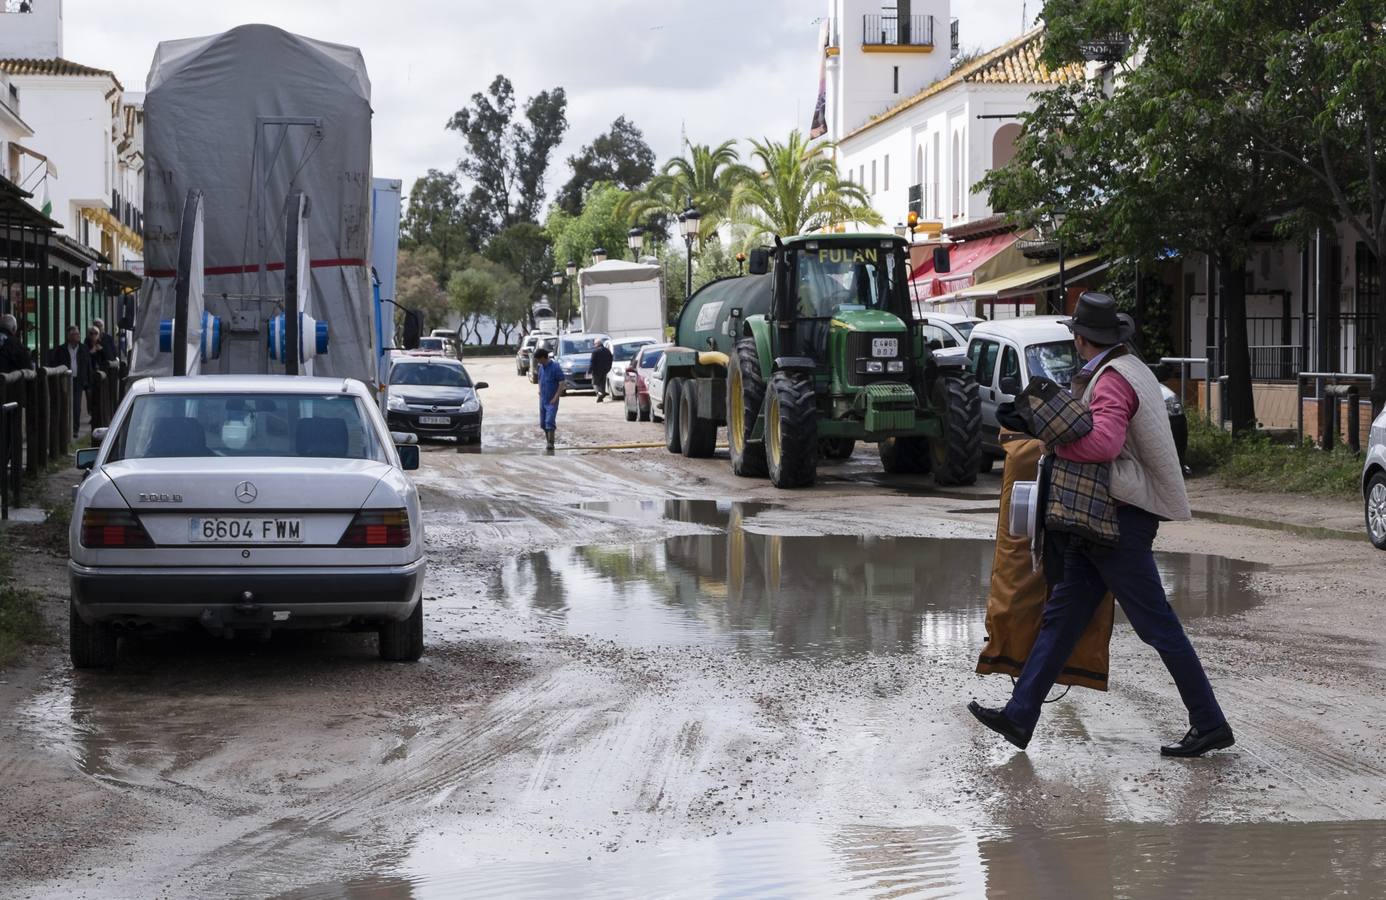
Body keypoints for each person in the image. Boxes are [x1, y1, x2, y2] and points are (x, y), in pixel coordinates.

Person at [968, 292, 1233, 758]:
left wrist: (1051, 444)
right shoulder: (1130, 368)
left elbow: (1104, 445)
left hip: (1118, 520)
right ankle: (1019, 715)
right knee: (1061, 619)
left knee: (1157, 626)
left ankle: (1209, 723)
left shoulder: (1112, 380)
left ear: (1082, 338)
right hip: (1102, 519)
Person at [48, 325, 92, 435]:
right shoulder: (61, 349)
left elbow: (88, 365)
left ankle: (75, 429)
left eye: (78, 334)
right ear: (69, 336)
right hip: (65, 380)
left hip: (78, 380)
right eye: (75, 334)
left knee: (76, 405)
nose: (78, 336)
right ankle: (64, 429)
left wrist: (88, 380)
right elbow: (55, 364)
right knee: (65, 404)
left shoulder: (84, 348)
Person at [532, 346, 564, 450]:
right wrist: (540, 389)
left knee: (549, 421)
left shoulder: (555, 367)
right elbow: (540, 380)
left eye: (538, 359)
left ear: (543, 358)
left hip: (552, 400)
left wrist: (556, 397)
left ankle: (551, 443)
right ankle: (547, 440)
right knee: (543, 423)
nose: (537, 361)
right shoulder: (541, 368)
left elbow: (562, 382)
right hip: (543, 399)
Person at [590, 338, 613, 403]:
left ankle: (599, 393)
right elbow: (610, 360)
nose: (594, 345)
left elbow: (592, 362)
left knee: (595, 383)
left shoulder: (595, 352)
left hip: (596, 371)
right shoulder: (607, 351)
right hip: (605, 370)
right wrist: (609, 368)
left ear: (597, 344)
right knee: (602, 384)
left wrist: (589, 370)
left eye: (594, 344)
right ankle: (601, 396)